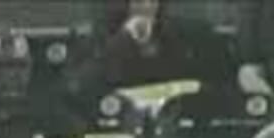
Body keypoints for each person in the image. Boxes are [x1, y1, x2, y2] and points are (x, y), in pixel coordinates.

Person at [93, 0, 224, 96]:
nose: (146, 6)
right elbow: (100, 78)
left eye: (152, 1)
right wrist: (124, 39)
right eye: (139, 1)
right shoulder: (107, 36)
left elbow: (187, 76)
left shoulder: (174, 35)